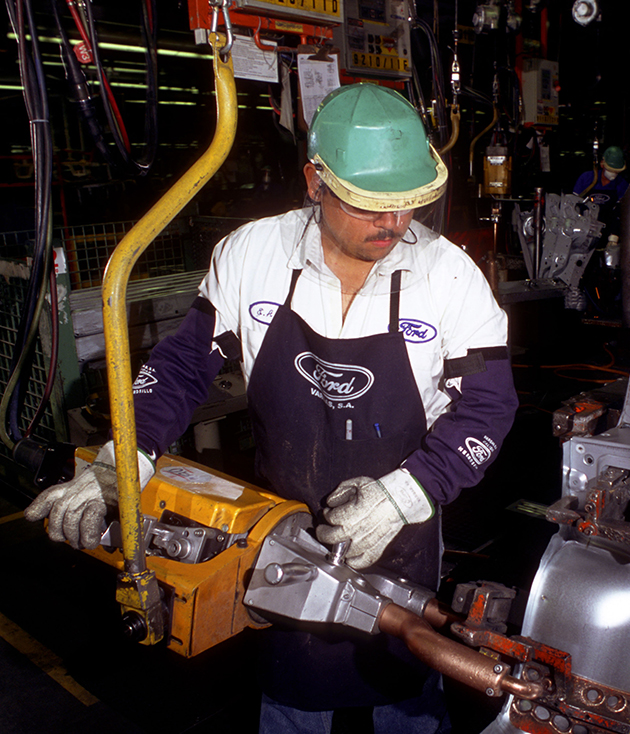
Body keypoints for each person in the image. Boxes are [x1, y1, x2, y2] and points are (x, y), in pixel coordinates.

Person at [24, 83, 518, 733]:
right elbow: (178, 370)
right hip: (281, 539)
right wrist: (123, 460)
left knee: (406, 692)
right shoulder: (250, 257)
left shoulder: (449, 276)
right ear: (315, 182)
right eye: (371, 208)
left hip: (397, 535)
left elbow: (487, 408)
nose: (393, 227)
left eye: (405, 207)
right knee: (293, 700)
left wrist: (406, 495)